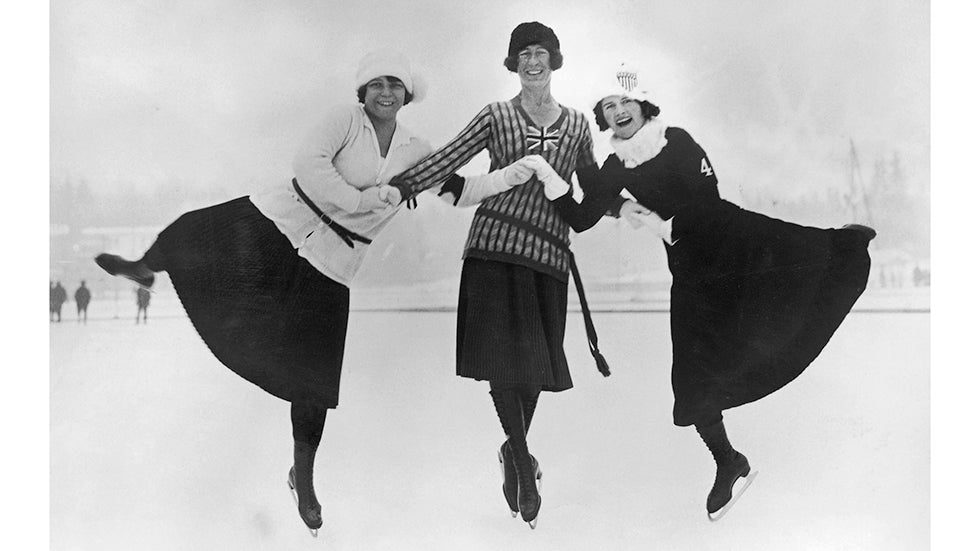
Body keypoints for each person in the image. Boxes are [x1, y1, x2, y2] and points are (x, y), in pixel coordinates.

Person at [92, 49, 531, 536]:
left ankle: (303, 476)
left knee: (314, 379)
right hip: (279, 221)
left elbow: (457, 191)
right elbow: (310, 165)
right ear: (362, 91)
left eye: (395, 85)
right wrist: (364, 200)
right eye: (377, 84)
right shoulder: (344, 120)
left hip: (334, 262)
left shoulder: (415, 150)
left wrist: (509, 177)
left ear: (408, 95)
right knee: (197, 230)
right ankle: (144, 266)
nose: (385, 92)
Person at [524, 67, 875, 520]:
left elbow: (705, 200)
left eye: (623, 102)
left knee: (810, 263)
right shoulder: (614, 166)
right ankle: (729, 462)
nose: (617, 112)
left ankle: (848, 244)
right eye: (608, 108)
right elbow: (581, 216)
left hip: (736, 243)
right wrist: (546, 173)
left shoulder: (677, 140)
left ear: (642, 103)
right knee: (691, 378)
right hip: (692, 271)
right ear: (604, 121)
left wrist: (655, 221)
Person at [389, 22, 620, 529]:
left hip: (551, 256)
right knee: (502, 362)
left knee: (534, 367)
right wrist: (401, 184)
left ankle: (513, 451)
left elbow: (594, 190)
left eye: (541, 53)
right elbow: (449, 159)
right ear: (512, 63)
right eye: (523, 54)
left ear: (553, 61)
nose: (532, 62)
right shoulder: (495, 116)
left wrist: (633, 171)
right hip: (492, 249)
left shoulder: (580, 125)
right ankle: (520, 460)